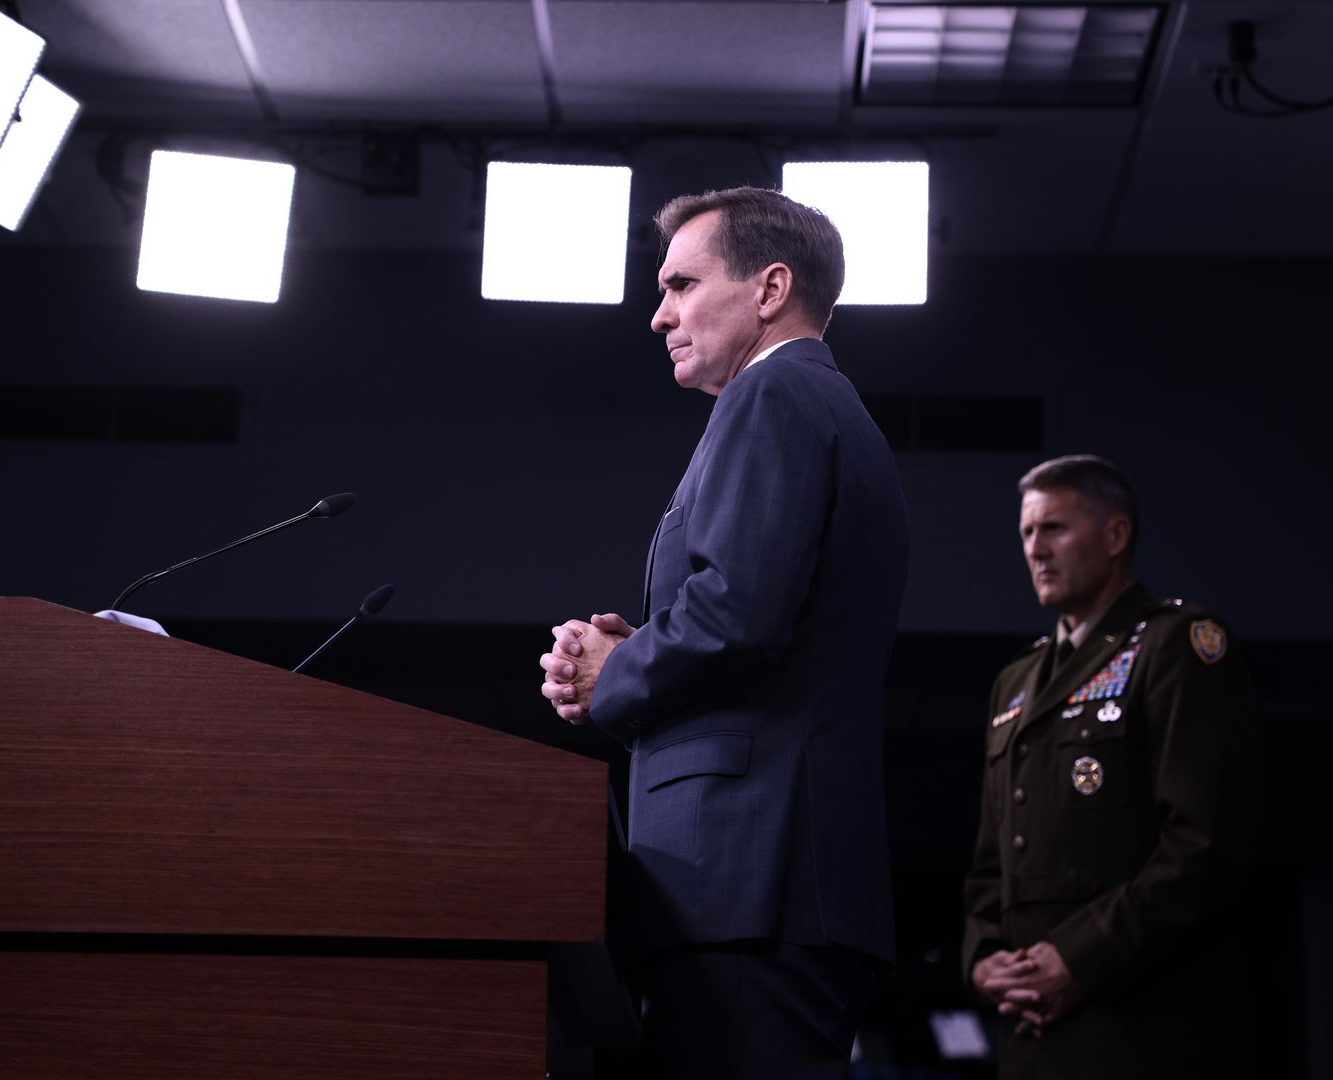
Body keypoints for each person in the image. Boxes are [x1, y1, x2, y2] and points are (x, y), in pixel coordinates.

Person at [538, 187, 909, 1077]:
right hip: (765, 881)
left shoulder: (772, 396)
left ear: (770, 287)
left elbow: (738, 615)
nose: (659, 312)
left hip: (753, 881)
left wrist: (613, 676)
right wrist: (641, 646)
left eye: (682, 283)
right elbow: (766, 617)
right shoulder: (816, 403)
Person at [963, 455, 1260, 1078]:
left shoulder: (1178, 645)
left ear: (1116, 535)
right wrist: (984, 955)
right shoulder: (1014, 682)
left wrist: (1077, 959)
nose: (1035, 550)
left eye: (1055, 529)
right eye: (1026, 533)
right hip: (1027, 1025)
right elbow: (994, 857)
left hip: (1133, 1022)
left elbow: (1203, 845)